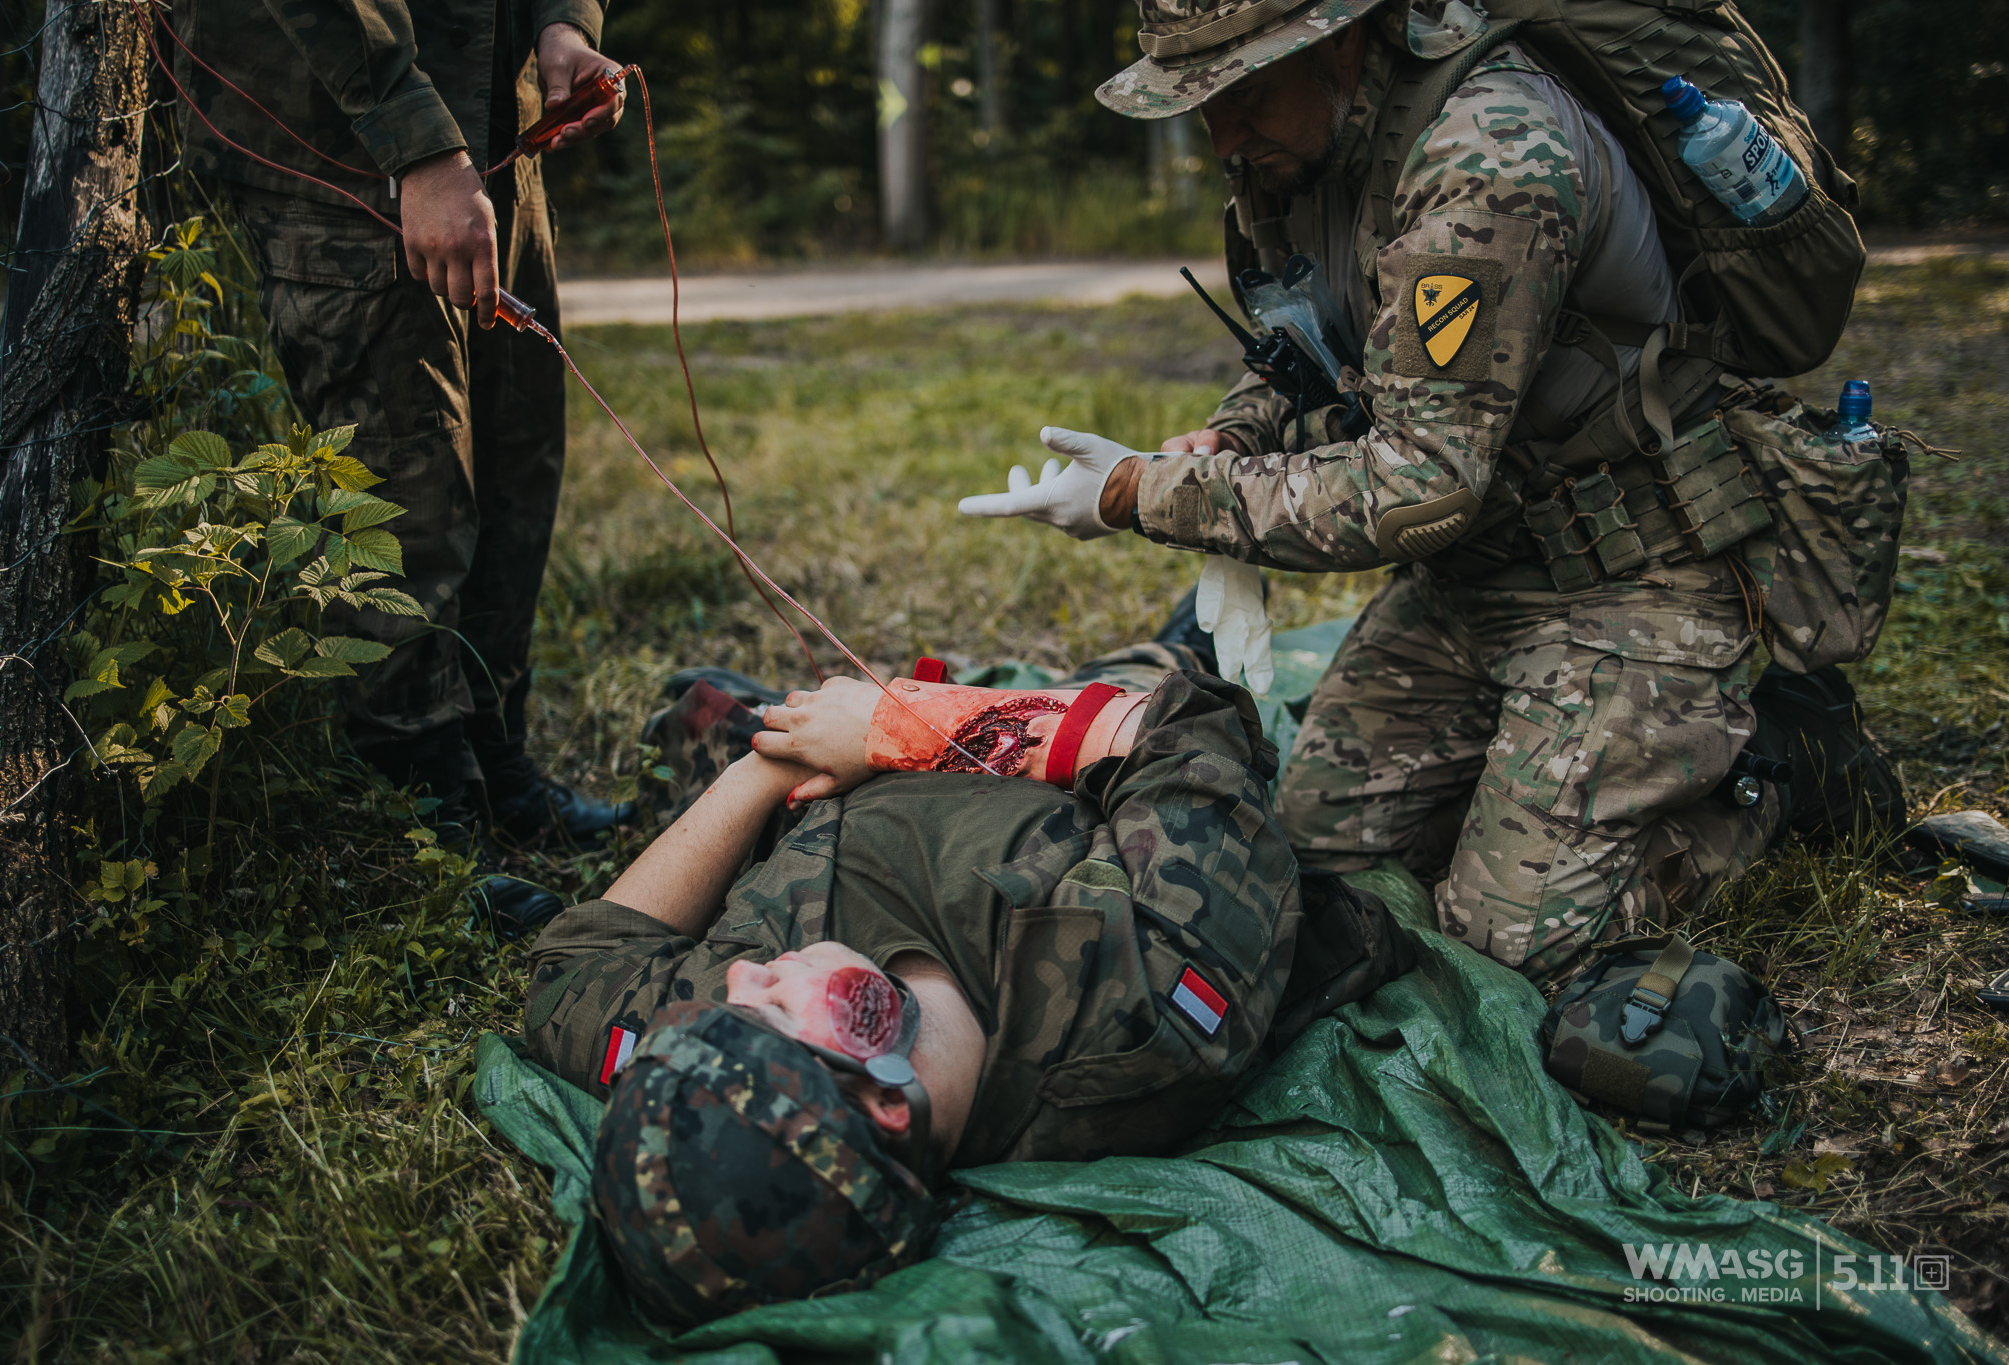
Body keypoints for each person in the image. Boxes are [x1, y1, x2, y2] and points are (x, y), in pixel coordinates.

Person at [959, 0, 1785, 980]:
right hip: (1478, 577)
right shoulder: (1297, 158)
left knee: (1508, 946)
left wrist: (1141, 493)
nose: (1223, 134)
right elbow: (1297, 341)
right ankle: (1551, 774)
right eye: (1201, 106)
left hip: (1636, 582)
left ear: (1341, 42)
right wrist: (1227, 437)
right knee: (1314, 850)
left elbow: (1419, 485)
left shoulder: (1488, 158)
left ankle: (1771, 776)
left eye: (1245, 92)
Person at [520, 652, 1411, 1323]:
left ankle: (741, 725)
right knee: (1162, 659)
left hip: (833, 772)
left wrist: (762, 769)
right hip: (1058, 717)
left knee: (714, 726)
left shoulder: (730, 1062)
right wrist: (903, 725)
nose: (744, 978)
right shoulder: (1140, 1002)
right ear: (885, 1103)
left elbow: (573, 969)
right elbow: (1191, 727)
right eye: (764, 1014)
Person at [174, 0, 632, 928]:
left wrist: (562, 23)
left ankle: (496, 764)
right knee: (403, 494)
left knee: (516, 456)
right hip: (345, 154)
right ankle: (420, 829)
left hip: (493, 140)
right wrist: (416, 146)